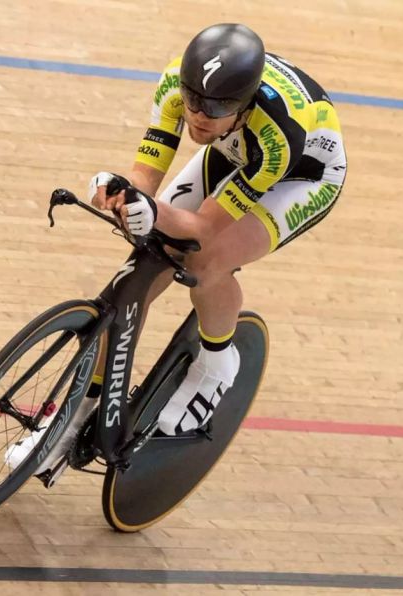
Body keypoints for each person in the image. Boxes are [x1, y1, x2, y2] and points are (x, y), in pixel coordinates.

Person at [89, 23, 347, 436]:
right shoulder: (178, 82)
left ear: (244, 106)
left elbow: (204, 228)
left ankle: (218, 362)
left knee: (204, 259)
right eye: (193, 101)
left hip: (298, 176)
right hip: (236, 148)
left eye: (215, 107)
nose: (198, 115)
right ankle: (79, 406)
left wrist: (150, 210)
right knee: (140, 268)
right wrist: (121, 191)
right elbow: (145, 178)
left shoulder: (279, 137)